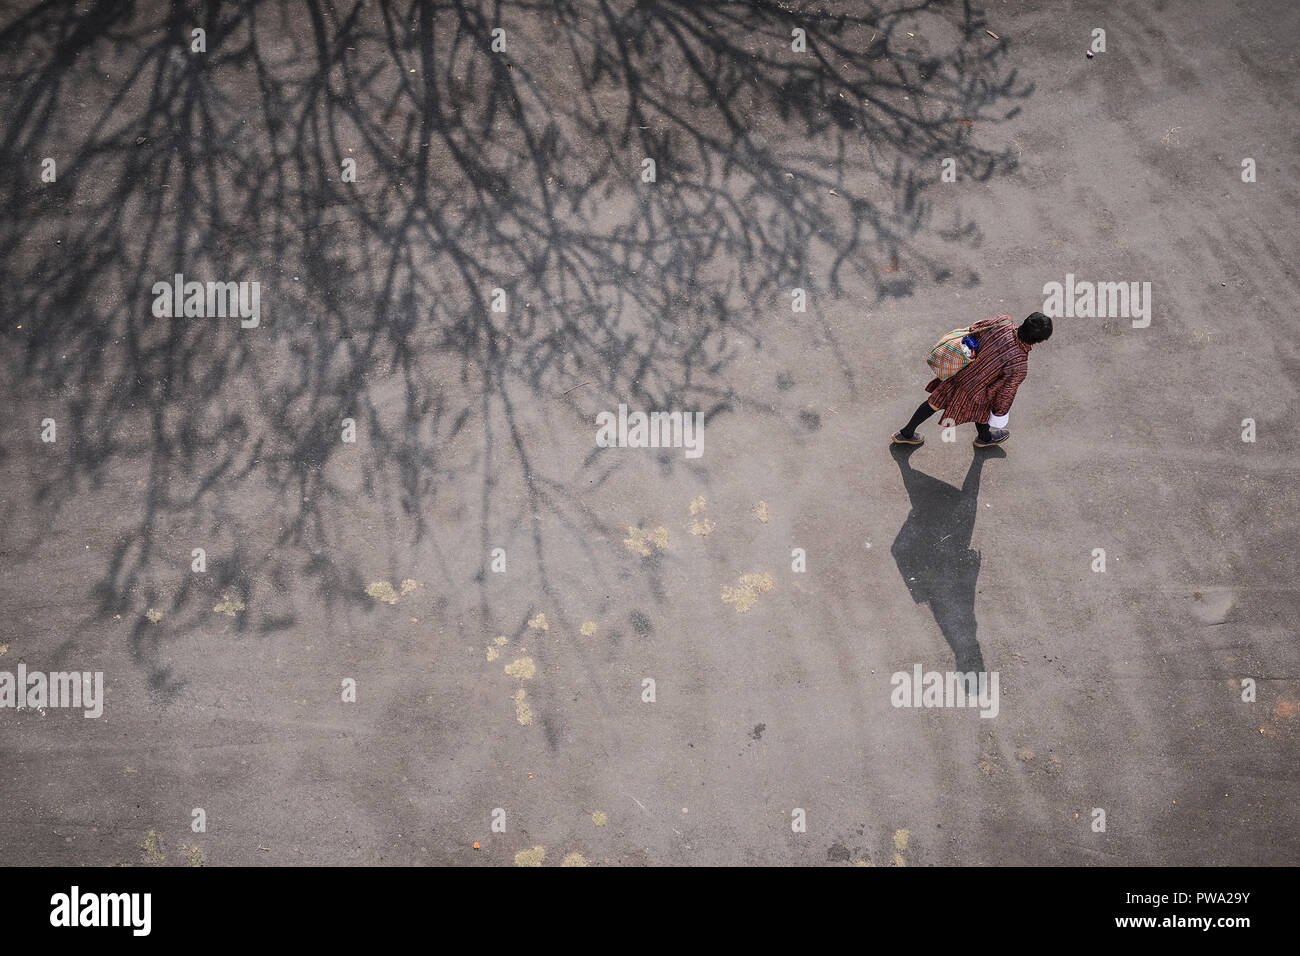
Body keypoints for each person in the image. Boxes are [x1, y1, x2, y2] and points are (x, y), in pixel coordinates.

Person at [891, 312, 1053, 448]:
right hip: (977, 391)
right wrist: (999, 412)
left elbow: (975, 329)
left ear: (1024, 322)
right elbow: (1005, 392)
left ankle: (906, 433)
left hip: (960, 371)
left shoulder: (1002, 322)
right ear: (1039, 341)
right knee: (982, 413)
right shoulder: (1019, 364)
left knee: (934, 402)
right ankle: (984, 438)